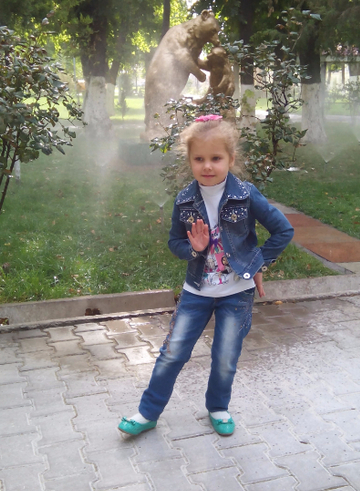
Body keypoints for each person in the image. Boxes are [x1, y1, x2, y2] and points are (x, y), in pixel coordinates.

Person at [118, 114, 294, 437]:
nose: (208, 166)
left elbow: (283, 230)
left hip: (236, 293)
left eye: (216, 158)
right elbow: (175, 242)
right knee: (173, 352)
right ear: (190, 161)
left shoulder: (246, 194)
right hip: (196, 291)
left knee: (225, 356)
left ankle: (218, 407)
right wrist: (194, 249)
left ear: (231, 159)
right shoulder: (185, 200)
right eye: (199, 159)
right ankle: (147, 413)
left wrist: (257, 263)